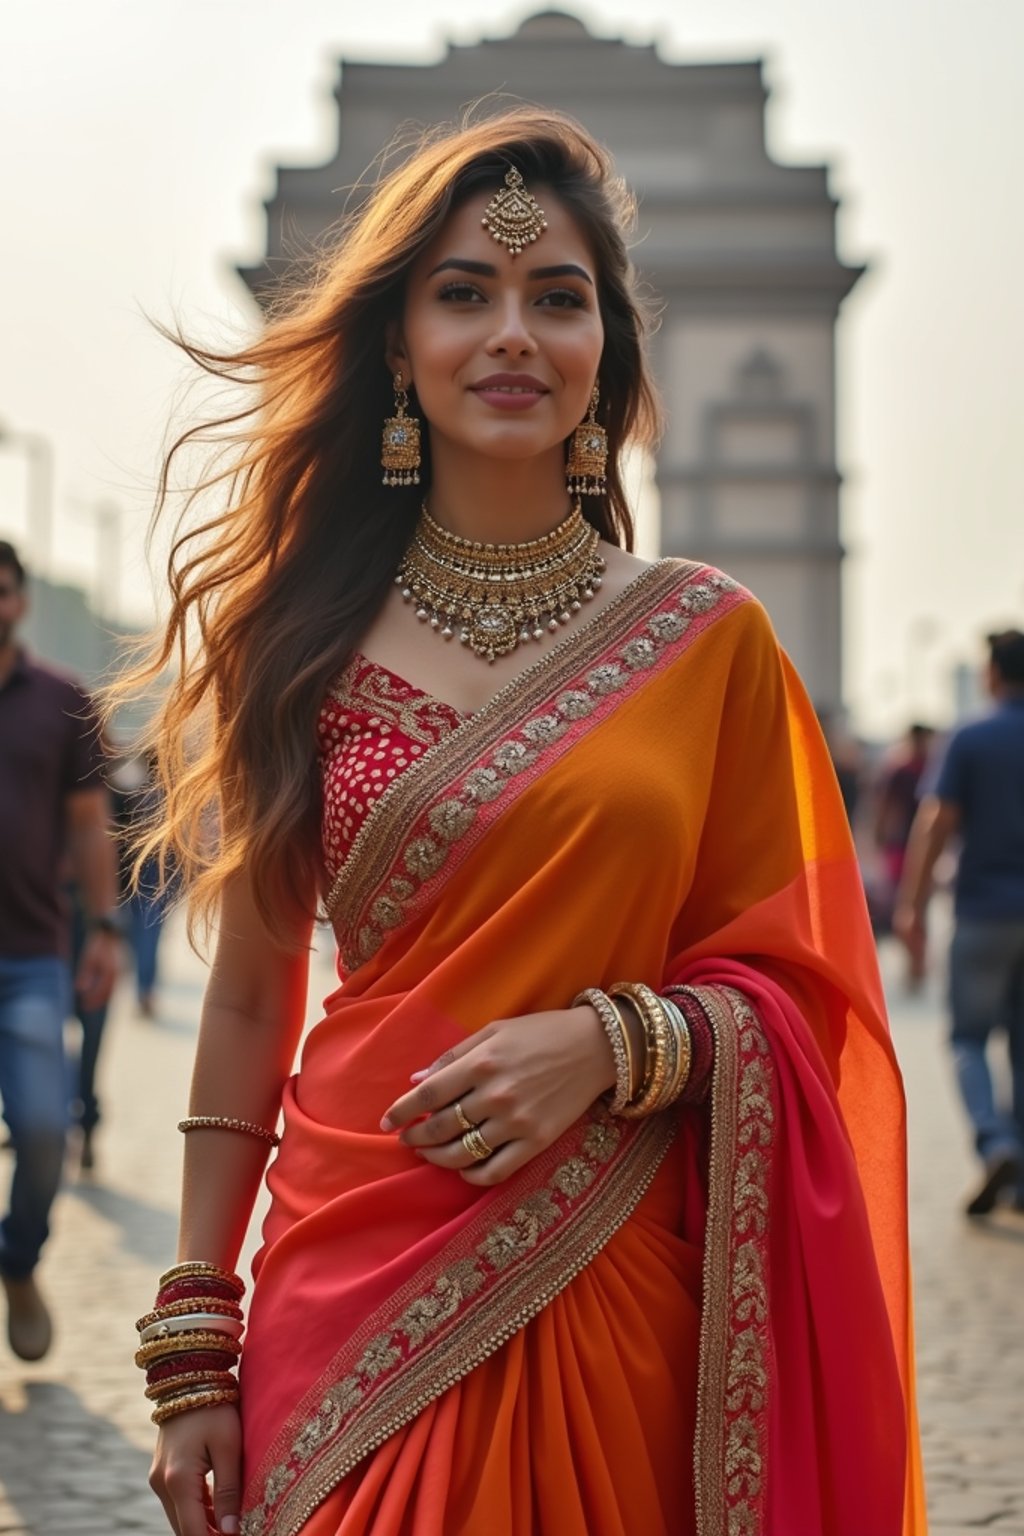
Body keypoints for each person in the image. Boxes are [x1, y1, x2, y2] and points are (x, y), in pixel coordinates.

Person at [128, 111, 925, 1536]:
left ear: (609, 353)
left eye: (558, 298)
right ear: (395, 347)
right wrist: (196, 1335)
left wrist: (608, 1047)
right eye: (462, 293)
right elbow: (252, 994)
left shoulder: (711, 644)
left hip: (614, 1269)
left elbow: (813, 999)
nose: (512, 333)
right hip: (350, 1261)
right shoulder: (296, 644)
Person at [0, 539, 119, 1358]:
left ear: (20, 601)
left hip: (29, 958)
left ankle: (17, 1260)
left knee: (45, 1128)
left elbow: (88, 825)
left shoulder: (62, 701)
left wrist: (106, 929)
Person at [896, 628, 1024, 1217]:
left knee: (968, 1036)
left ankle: (994, 1141)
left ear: (993, 675)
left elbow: (935, 824)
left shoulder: (971, 737)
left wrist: (913, 907)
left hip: (982, 914)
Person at [873, 722, 935, 980]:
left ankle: (916, 963)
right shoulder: (906, 770)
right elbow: (886, 806)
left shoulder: (919, 768)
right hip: (901, 845)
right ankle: (914, 962)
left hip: (914, 845)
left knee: (915, 904)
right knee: (904, 904)